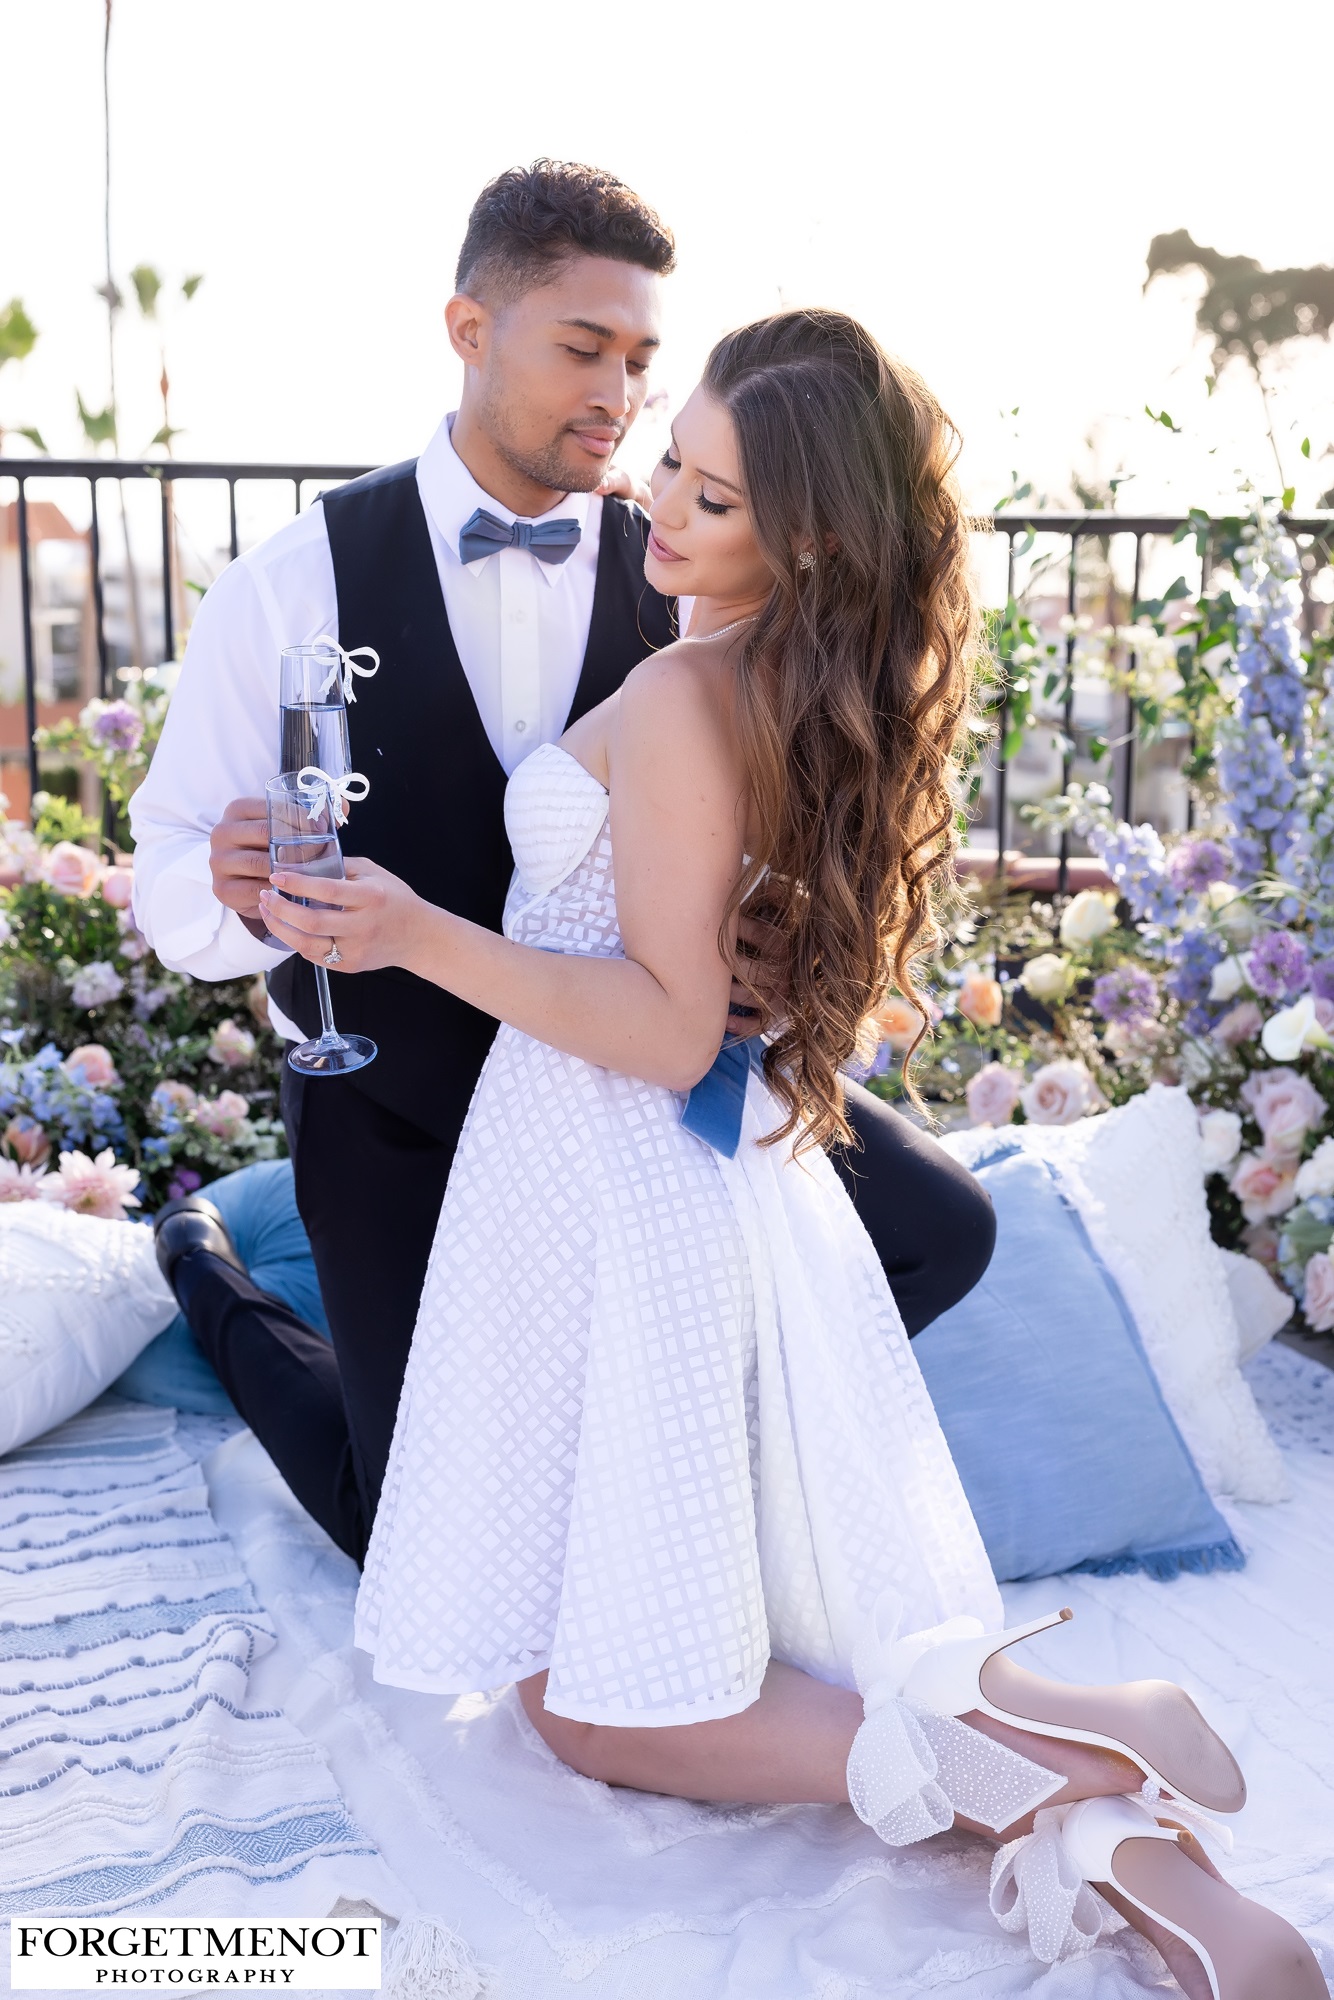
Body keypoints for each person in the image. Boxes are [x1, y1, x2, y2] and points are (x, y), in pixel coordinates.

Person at [255, 309, 1322, 1998]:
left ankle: (1056, 1756)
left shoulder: (688, 690)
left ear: (809, 536)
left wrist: (407, 932)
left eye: (713, 499)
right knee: (615, 1659)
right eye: (670, 464)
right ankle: (1109, 1845)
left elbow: (670, 1023)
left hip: (623, 1165)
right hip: (669, 1166)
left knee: (593, 1706)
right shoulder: (776, 683)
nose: (661, 511)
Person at [133, 161, 995, 1568]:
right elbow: (166, 877)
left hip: (639, 1074)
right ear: (470, 331)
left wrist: (766, 929)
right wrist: (227, 893)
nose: (620, 400)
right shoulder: (289, 581)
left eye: (643, 362)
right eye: (582, 349)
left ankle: (656, 1449)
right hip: (402, 1098)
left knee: (936, 1230)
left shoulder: (694, 553)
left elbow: (786, 787)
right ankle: (207, 1271)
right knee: (409, 1525)